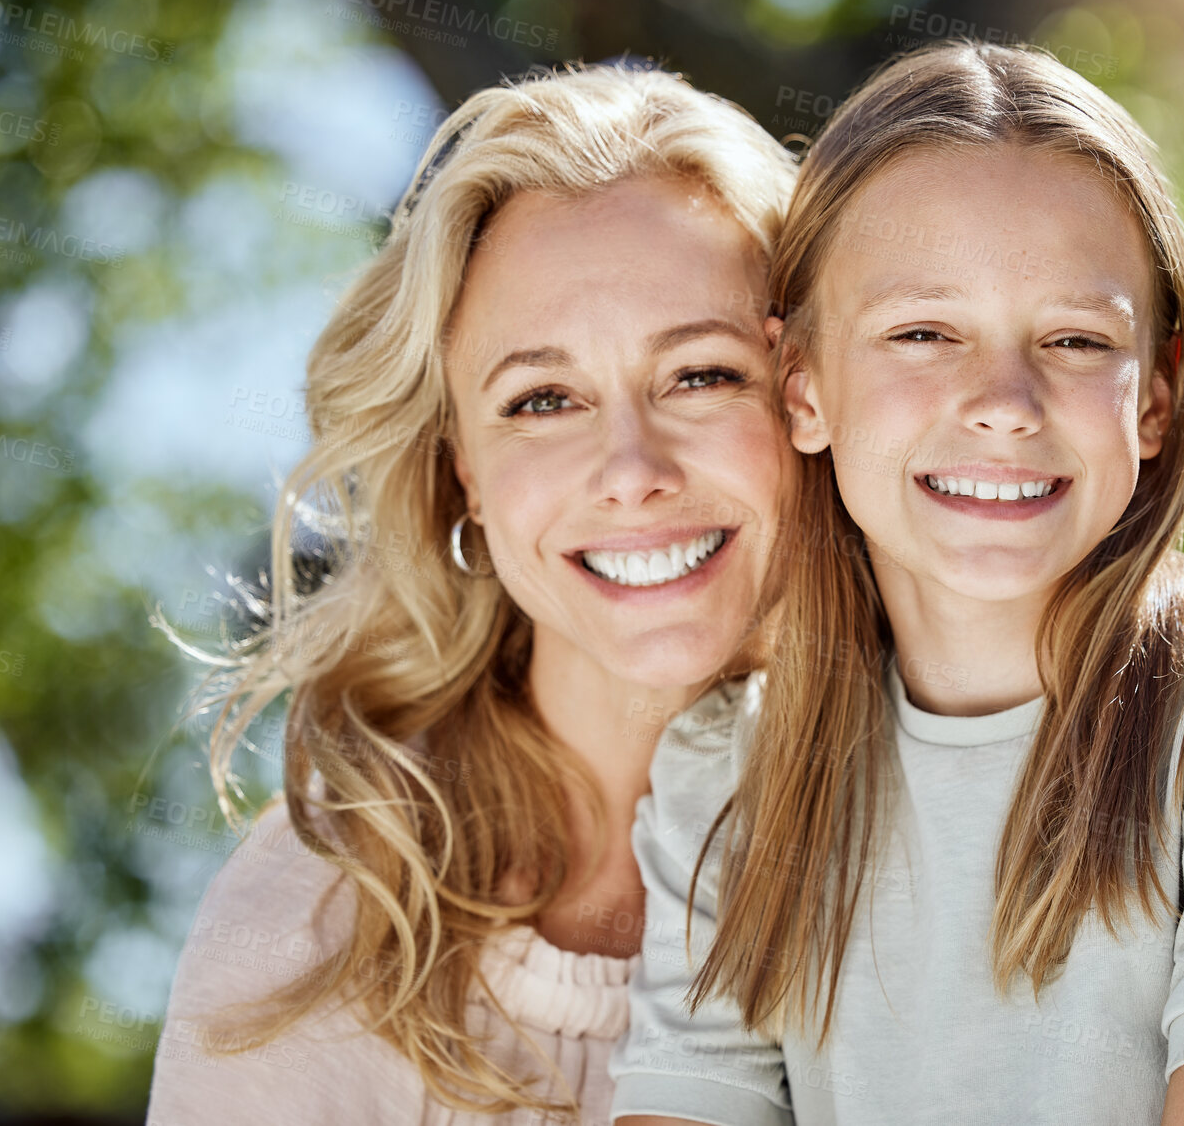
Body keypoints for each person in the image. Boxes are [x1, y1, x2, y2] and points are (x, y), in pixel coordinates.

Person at [610, 41, 1184, 1126]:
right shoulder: (727, 768)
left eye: (1073, 337)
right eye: (922, 332)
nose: (1004, 400)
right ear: (803, 385)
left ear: (1155, 396)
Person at [145, 63, 796, 1124]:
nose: (631, 468)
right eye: (543, 399)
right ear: (466, 480)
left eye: (701, 375)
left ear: (806, 401)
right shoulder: (319, 915)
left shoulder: (960, 821)